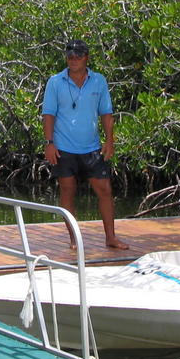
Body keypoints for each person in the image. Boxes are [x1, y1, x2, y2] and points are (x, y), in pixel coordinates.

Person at [42, 40, 128, 250]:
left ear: (86, 57)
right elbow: (48, 114)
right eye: (70, 56)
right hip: (63, 147)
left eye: (78, 56)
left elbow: (106, 113)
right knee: (67, 191)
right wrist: (49, 143)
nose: (73, 60)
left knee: (105, 190)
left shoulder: (99, 81)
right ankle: (74, 240)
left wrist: (110, 141)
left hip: (91, 148)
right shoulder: (55, 82)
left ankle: (111, 237)